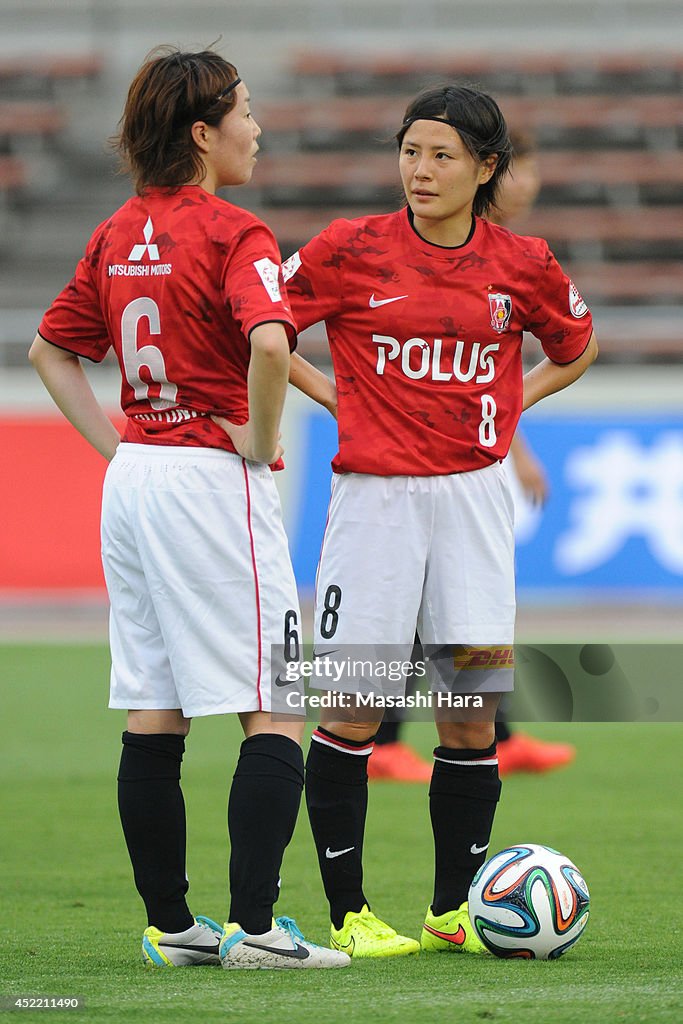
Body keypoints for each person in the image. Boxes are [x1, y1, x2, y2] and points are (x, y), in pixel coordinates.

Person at [28, 47, 348, 971]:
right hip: (210, 483)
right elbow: (270, 336)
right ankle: (254, 929)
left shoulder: (117, 228)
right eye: (245, 111)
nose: (259, 127)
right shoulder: (234, 233)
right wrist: (257, 439)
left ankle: (173, 927)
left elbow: (53, 352)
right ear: (204, 133)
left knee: (156, 709)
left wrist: (119, 447)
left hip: (135, 484)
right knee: (278, 704)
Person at [282, 83, 597, 958]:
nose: (419, 171)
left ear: (484, 168)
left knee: (468, 714)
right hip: (374, 504)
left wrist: (508, 401)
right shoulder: (348, 249)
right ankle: (348, 912)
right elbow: (263, 325)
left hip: (473, 504)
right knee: (351, 707)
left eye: (441, 156)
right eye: (410, 151)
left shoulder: (522, 261)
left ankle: (451, 910)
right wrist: (330, 396)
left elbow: (576, 346)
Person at [367, 129, 574, 782]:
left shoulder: (511, 259)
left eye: (533, 169)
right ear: (488, 171)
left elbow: (486, 374)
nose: (526, 182)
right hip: (409, 462)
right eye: (518, 168)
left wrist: (508, 430)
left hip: (465, 458)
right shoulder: (432, 250)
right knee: (430, 600)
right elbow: (449, 371)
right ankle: (384, 738)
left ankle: (487, 730)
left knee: (455, 603)